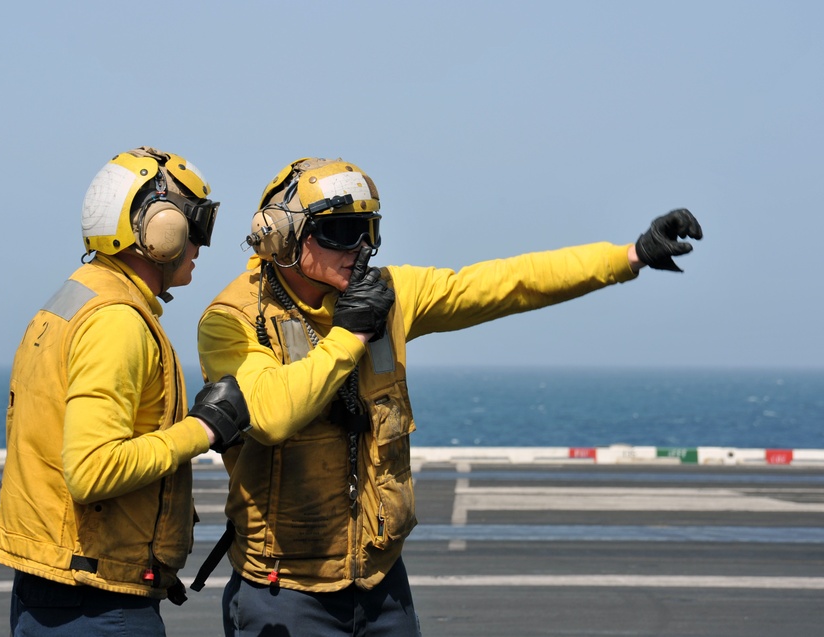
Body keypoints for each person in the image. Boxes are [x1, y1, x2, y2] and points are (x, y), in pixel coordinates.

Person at [196, 157, 703, 636]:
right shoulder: (234, 321)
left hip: (380, 582)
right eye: (342, 232)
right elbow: (271, 416)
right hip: (284, 592)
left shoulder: (383, 295)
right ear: (283, 237)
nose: (362, 247)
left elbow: (506, 283)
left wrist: (630, 255)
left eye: (368, 230)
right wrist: (349, 336)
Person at [0, 147, 251, 636]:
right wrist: (204, 429)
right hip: (95, 601)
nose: (201, 246)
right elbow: (90, 470)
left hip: (49, 588)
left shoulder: (73, 299)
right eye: (198, 227)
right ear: (160, 231)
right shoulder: (116, 322)